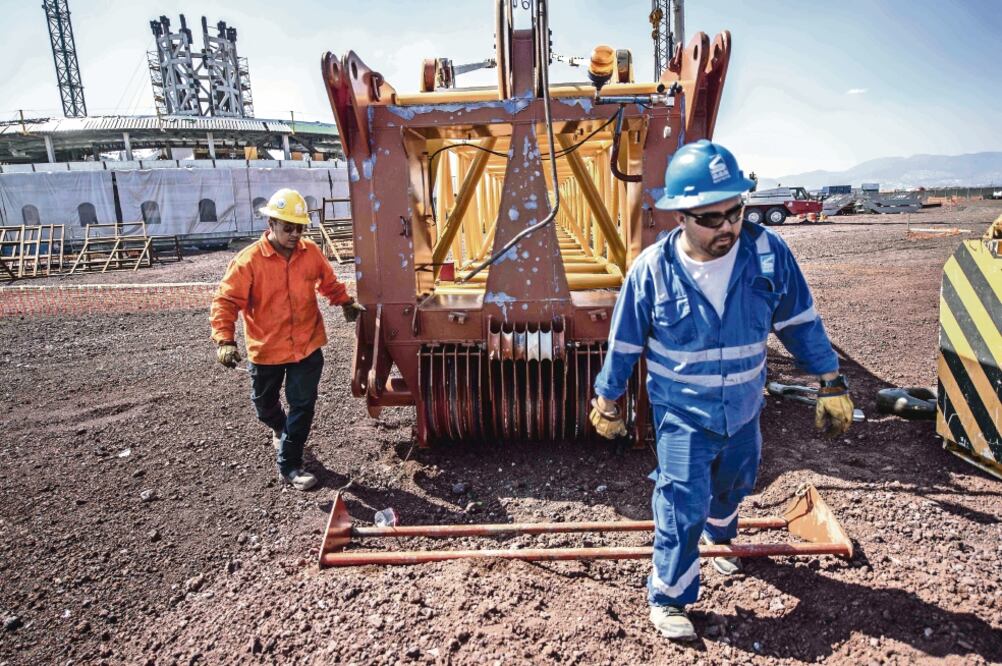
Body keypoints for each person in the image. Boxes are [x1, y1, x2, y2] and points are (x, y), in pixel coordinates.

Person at [588, 140, 854, 642]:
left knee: (735, 483)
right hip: (682, 414)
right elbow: (624, 342)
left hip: (745, 410)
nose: (728, 226)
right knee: (680, 502)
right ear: (682, 216)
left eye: (736, 211)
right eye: (712, 218)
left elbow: (799, 321)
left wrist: (830, 380)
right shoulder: (652, 271)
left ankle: (721, 535)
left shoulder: (767, 255)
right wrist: (608, 398)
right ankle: (669, 597)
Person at [210, 188, 364, 491]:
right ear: (271, 224)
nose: (295, 234)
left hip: (307, 344)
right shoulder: (248, 261)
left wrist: (345, 301)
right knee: (264, 405)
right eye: (288, 227)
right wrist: (225, 340)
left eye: (299, 228)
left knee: (302, 405)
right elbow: (226, 301)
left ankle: (290, 465)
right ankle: (280, 427)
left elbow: (328, 282)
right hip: (266, 349)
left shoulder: (311, 253)